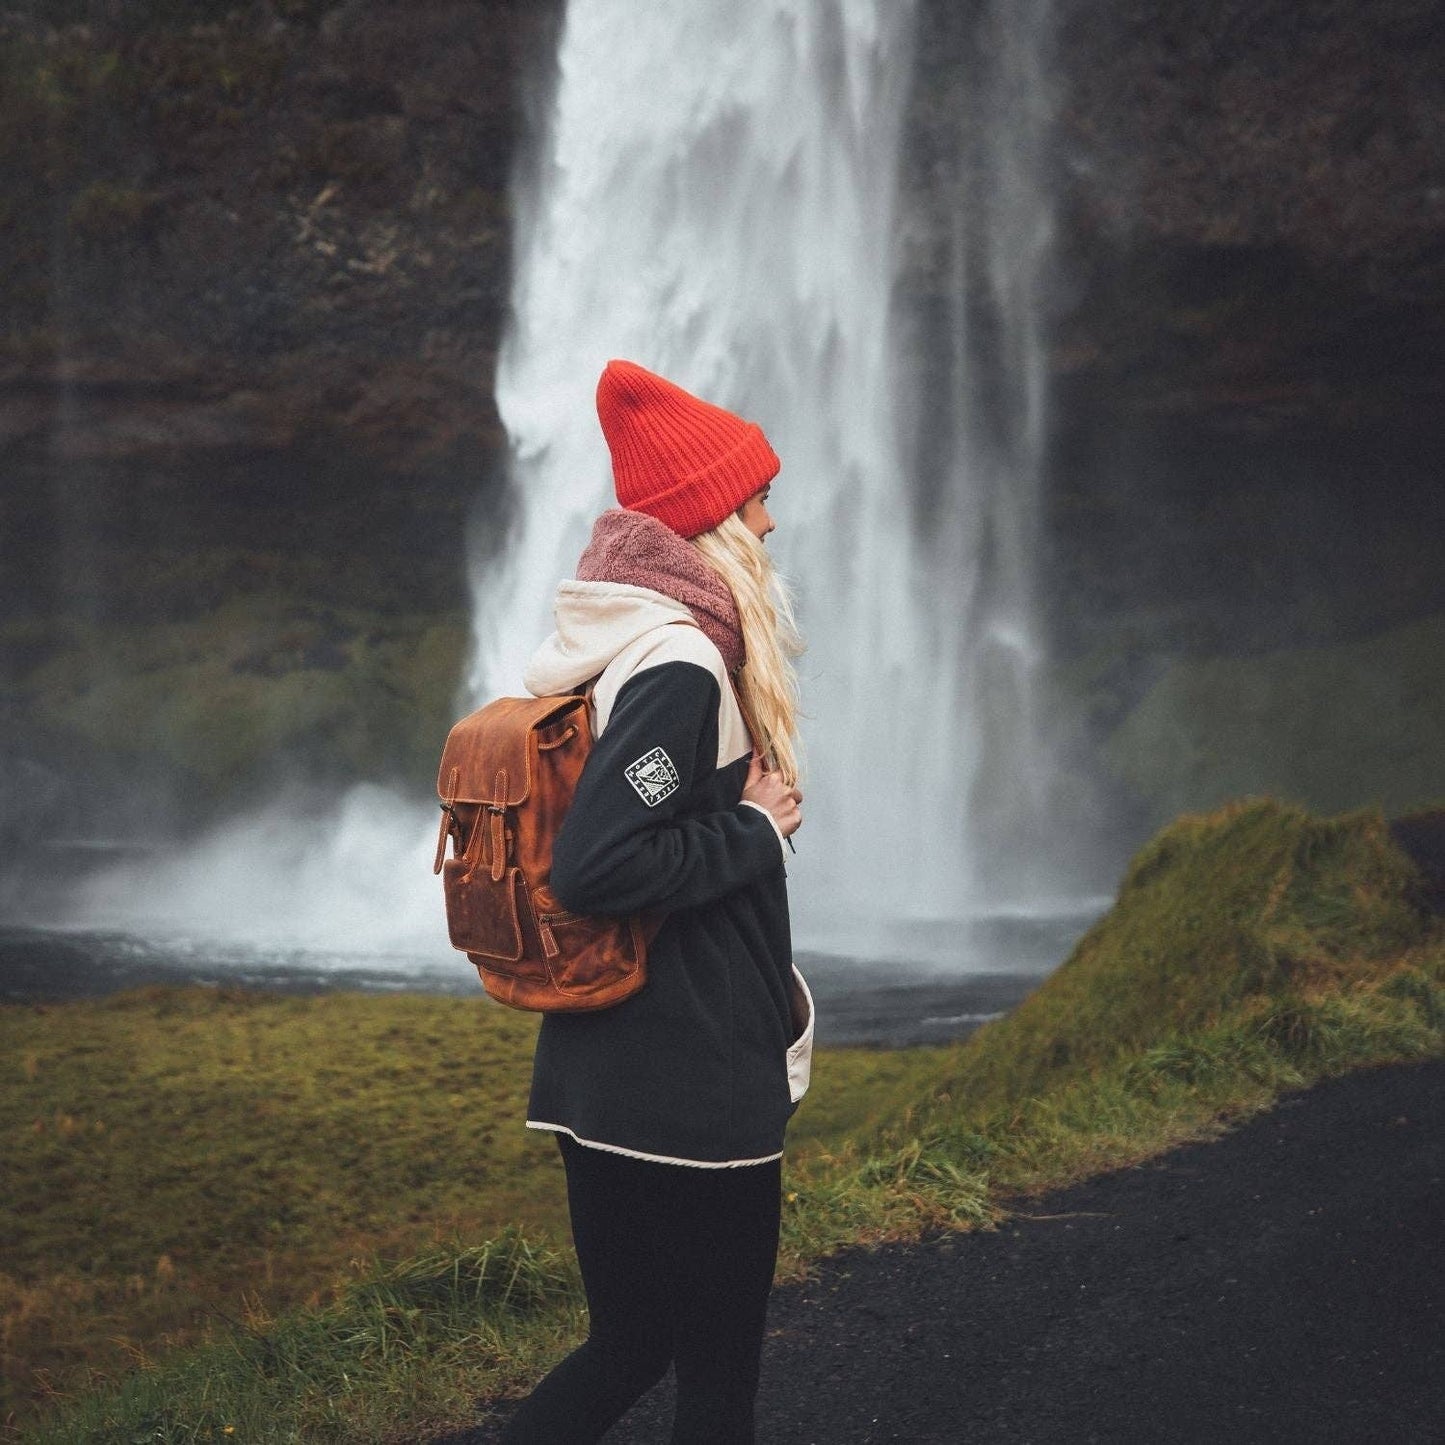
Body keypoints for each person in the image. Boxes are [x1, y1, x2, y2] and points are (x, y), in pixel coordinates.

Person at [498, 359, 813, 1445]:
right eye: (755, 497)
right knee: (716, 1374)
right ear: (710, 519)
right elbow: (593, 864)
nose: (771, 521)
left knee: (629, 1342)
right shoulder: (678, 659)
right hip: (686, 1081)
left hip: (603, 1070)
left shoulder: (619, 641)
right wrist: (754, 827)